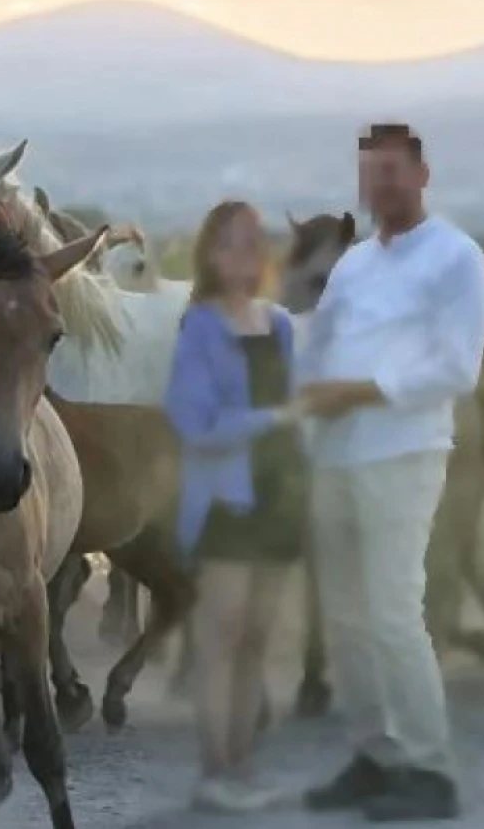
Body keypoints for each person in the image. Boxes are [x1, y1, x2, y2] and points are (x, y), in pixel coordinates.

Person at [295, 123, 484, 822]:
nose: (379, 185)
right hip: (334, 458)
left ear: (422, 175)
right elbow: (318, 346)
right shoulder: (353, 264)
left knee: (391, 612)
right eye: (369, 173)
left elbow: (456, 367)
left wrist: (359, 391)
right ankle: (376, 756)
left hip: (403, 454)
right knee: (346, 618)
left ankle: (429, 770)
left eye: (391, 171)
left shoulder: (455, 258)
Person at [164, 199, 308, 814]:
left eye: (252, 243)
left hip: (281, 497)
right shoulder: (198, 326)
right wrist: (272, 418)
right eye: (228, 244)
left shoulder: (279, 325)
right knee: (221, 639)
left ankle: (243, 767)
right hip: (228, 500)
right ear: (209, 255)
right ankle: (214, 772)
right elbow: (192, 422)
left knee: (256, 640)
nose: (242, 255)